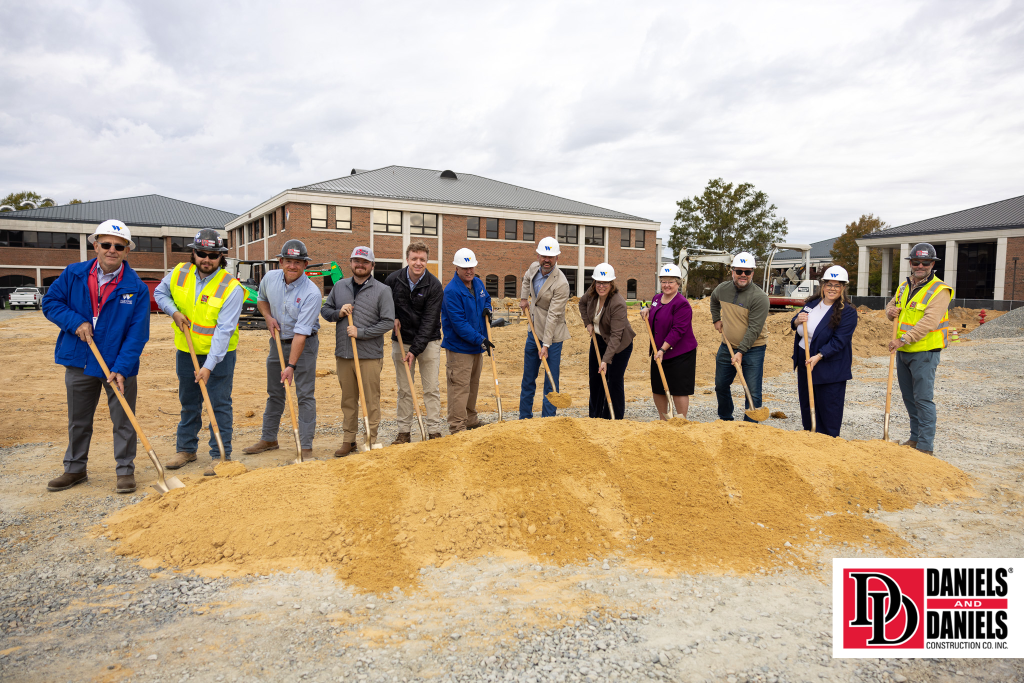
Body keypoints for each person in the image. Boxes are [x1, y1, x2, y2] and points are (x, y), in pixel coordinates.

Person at [41, 219, 151, 493]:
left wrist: (122, 368)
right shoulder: (73, 274)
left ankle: (125, 471)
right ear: (95, 245)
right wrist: (75, 321)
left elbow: (138, 334)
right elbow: (51, 303)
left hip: (117, 365)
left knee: (124, 420)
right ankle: (75, 469)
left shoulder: (135, 286)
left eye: (119, 246)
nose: (111, 250)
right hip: (81, 358)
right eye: (106, 244)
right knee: (79, 419)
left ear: (127, 251)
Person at [156, 229, 243, 475]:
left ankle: (221, 455)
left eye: (212, 255)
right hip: (187, 351)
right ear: (193, 253)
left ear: (221, 258)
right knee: (189, 402)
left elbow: (224, 332)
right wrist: (173, 311)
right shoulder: (179, 272)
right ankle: (186, 449)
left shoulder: (231, 288)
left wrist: (208, 366)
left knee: (219, 403)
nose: (206, 259)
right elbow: (160, 293)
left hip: (220, 356)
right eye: (201, 253)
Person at [243, 239, 321, 459]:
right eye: (288, 261)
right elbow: (261, 300)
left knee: (305, 394)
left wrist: (291, 366)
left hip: (304, 345)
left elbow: (301, 334)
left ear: (305, 264)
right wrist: (267, 317)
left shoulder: (312, 293)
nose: (292, 266)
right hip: (277, 342)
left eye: (298, 262)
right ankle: (269, 438)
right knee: (275, 393)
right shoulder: (270, 278)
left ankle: (305, 447)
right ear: (280, 261)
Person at [321, 246, 396, 455]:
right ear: (351, 262)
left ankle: (370, 439)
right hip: (344, 354)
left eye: (365, 262)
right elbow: (325, 311)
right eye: (356, 261)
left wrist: (361, 332)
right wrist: (339, 313)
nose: (360, 265)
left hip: (369, 355)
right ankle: (349, 439)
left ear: (372, 265)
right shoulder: (339, 286)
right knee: (348, 399)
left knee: (371, 399)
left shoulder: (382, 290)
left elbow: (388, 322)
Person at [885, 243, 953, 455]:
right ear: (911, 263)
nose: (920, 265)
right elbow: (890, 307)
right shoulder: (904, 286)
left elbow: (929, 322)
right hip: (904, 352)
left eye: (925, 262)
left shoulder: (940, 290)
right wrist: (890, 310)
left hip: (924, 352)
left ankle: (925, 447)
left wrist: (902, 339)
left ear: (933, 264)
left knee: (923, 399)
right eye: (916, 262)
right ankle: (914, 439)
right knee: (909, 398)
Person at [385, 241, 444, 443]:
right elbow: (384, 305)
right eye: (414, 259)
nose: (418, 263)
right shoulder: (393, 280)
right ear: (407, 259)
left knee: (431, 388)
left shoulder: (434, 285)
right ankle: (404, 432)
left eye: (422, 259)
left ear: (427, 261)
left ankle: (434, 430)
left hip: (428, 342)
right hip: (401, 340)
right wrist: (390, 316)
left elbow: (430, 321)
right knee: (404, 389)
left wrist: (415, 350)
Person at [790, 266, 858, 437]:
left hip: (828, 367)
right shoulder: (812, 303)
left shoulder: (848, 312)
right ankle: (810, 437)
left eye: (837, 285)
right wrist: (797, 320)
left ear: (843, 288)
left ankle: (828, 443)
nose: (832, 288)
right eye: (829, 284)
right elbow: (795, 323)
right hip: (805, 362)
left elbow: (839, 341)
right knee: (808, 405)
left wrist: (819, 356)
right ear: (823, 285)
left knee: (828, 409)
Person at [710, 252, 770, 422]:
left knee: (752, 390)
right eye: (739, 271)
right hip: (727, 346)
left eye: (747, 272)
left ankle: (750, 426)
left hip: (753, 349)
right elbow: (714, 300)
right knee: (721, 385)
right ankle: (725, 418)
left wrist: (741, 352)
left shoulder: (760, 297)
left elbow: (754, 329)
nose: (743, 275)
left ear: (752, 273)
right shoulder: (722, 289)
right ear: (732, 271)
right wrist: (716, 319)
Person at [518, 236, 571, 419]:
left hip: (553, 337)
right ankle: (524, 417)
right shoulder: (533, 268)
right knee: (528, 378)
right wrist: (524, 298)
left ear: (557, 258)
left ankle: (548, 420)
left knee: (550, 380)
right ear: (538, 255)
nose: (546, 260)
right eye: (543, 256)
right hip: (533, 331)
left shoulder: (561, 283)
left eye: (551, 257)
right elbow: (526, 280)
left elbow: (553, 316)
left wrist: (546, 344)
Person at [441, 247, 492, 434]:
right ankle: (457, 426)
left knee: (473, 385)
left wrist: (489, 309)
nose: (469, 271)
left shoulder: (477, 283)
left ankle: (471, 420)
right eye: (465, 268)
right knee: (459, 388)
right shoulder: (451, 291)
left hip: (476, 347)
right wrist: (481, 340)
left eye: (471, 267)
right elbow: (459, 324)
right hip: (460, 348)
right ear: (456, 267)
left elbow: (486, 299)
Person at [579, 263, 634, 419]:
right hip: (598, 340)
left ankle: (613, 416)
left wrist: (605, 360)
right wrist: (588, 323)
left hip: (620, 345)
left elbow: (616, 336)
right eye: (598, 282)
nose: (601, 286)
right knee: (595, 379)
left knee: (613, 380)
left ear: (612, 283)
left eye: (605, 283)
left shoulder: (618, 303)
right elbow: (581, 304)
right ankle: (595, 416)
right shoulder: (591, 294)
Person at [642, 264, 697, 419]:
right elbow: (655, 313)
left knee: (678, 388)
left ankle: (681, 420)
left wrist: (663, 349)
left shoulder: (682, 304)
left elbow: (678, 330)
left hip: (679, 353)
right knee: (658, 387)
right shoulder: (656, 299)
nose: (666, 285)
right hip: (658, 350)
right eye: (663, 281)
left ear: (678, 284)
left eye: (671, 282)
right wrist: (647, 310)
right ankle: (663, 419)